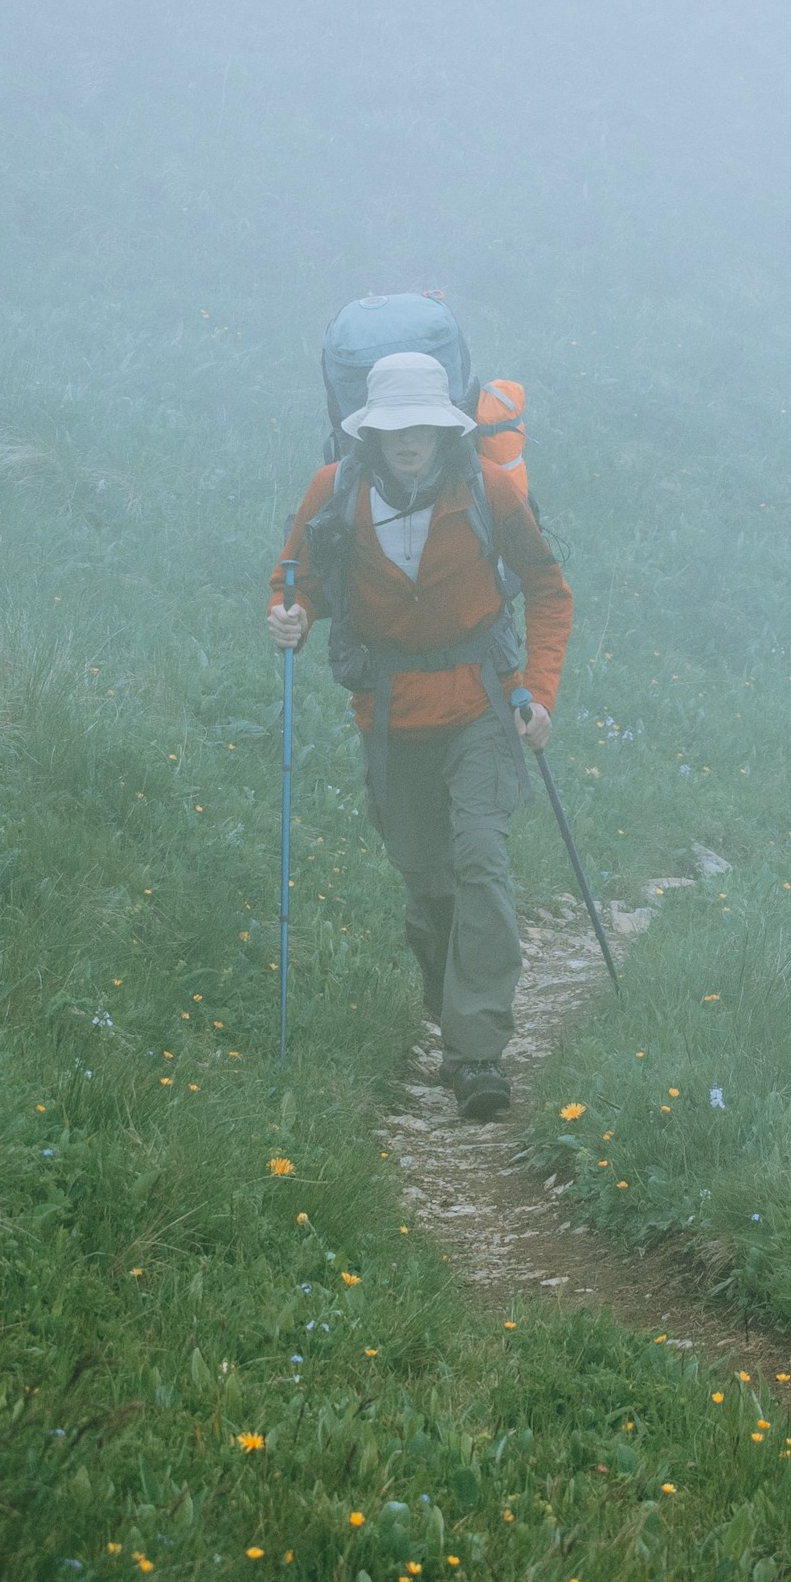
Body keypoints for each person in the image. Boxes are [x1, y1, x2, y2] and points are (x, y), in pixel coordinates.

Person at [267, 349, 572, 1121]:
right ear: (370, 432)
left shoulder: (489, 489)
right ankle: (450, 1005)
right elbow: (294, 579)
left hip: (480, 702)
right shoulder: (332, 491)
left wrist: (538, 692)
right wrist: (289, 619)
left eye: (423, 427)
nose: (408, 440)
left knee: (480, 858)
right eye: (394, 427)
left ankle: (475, 1055)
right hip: (391, 711)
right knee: (426, 877)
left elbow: (547, 587)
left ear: (446, 430)